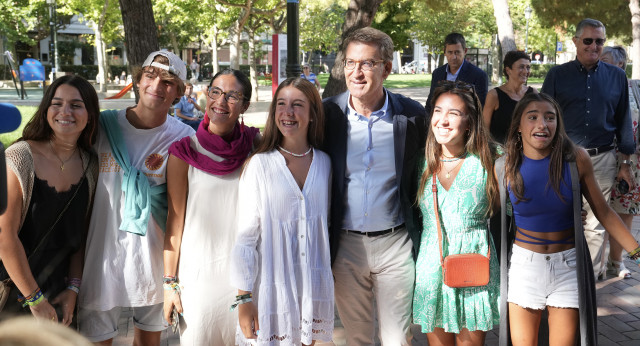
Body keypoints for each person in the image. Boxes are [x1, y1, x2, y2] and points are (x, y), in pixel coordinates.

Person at [497, 92, 640, 345]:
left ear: (558, 123)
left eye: (550, 117)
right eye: (533, 117)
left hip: (568, 266)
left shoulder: (576, 158)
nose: (542, 124)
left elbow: (604, 212)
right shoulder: (505, 164)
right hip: (524, 266)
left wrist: (637, 251)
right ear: (519, 125)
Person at [77, 51, 194, 345]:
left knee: (148, 342)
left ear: (179, 92)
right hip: (101, 258)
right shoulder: (102, 127)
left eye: (168, 81)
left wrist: (171, 280)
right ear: (139, 80)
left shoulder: (182, 138)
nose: (157, 85)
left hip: (153, 261)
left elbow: (177, 215)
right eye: (150, 76)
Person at [322, 27, 426, 345]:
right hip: (346, 248)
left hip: (396, 244)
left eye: (367, 63)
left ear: (387, 68)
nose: (356, 72)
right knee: (357, 338)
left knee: (398, 338)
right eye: (350, 62)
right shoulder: (327, 116)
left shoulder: (411, 116)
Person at [231, 77, 334, 345]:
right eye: (281, 104)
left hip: (311, 290)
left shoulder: (325, 164)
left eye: (297, 105)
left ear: (312, 114)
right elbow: (245, 238)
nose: (288, 112)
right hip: (270, 292)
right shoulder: (259, 166)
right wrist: (244, 298)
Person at [163, 69, 260, 344]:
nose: (221, 101)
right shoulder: (184, 151)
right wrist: (169, 283)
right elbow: (175, 220)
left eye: (232, 95)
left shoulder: (257, 147)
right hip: (199, 276)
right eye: (215, 91)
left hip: (247, 278)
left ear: (245, 105)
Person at [0, 75, 99, 325]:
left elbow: (82, 239)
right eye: (57, 103)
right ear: (46, 109)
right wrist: (35, 299)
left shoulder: (91, 166)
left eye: (76, 105)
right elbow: (4, 236)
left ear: (90, 114)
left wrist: (73, 290)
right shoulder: (19, 158)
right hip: (15, 290)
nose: (65, 111)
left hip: (60, 294)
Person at [542, 19, 635, 279]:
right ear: (575, 42)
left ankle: (589, 283)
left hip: (602, 159)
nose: (594, 46)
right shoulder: (557, 76)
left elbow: (623, 120)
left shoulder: (617, 76)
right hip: (562, 159)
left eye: (599, 41)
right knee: (562, 217)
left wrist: (625, 163)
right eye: (588, 41)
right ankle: (561, 278)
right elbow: (542, 117)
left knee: (596, 224)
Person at [413, 81, 500, 345]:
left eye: (453, 114)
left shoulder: (491, 161)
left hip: (474, 266)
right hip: (432, 267)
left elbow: (519, 204)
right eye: (438, 112)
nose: (443, 121)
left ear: (469, 123)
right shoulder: (420, 162)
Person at [601, 45, 639, 279]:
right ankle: (596, 264)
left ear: (620, 65)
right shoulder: (596, 87)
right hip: (603, 156)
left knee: (625, 212)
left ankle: (617, 261)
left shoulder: (634, 88)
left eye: (605, 60)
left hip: (632, 160)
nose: (600, 64)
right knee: (600, 212)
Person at [426, 33, 489, 115]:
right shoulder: (437, 73)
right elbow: (430, 104)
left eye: (457, 52)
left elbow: (480, 108)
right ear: (444, 52)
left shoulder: (479, 75)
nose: (453, 57)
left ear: (465, 51)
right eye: (450, 52)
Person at [483, 50, 537, 144]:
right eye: (521, 67)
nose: (525, 71)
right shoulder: (494, 95)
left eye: (528, 67)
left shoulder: (534, 94)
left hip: (527, 151)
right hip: (500, 152)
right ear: (508, 70)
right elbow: (484, 128)